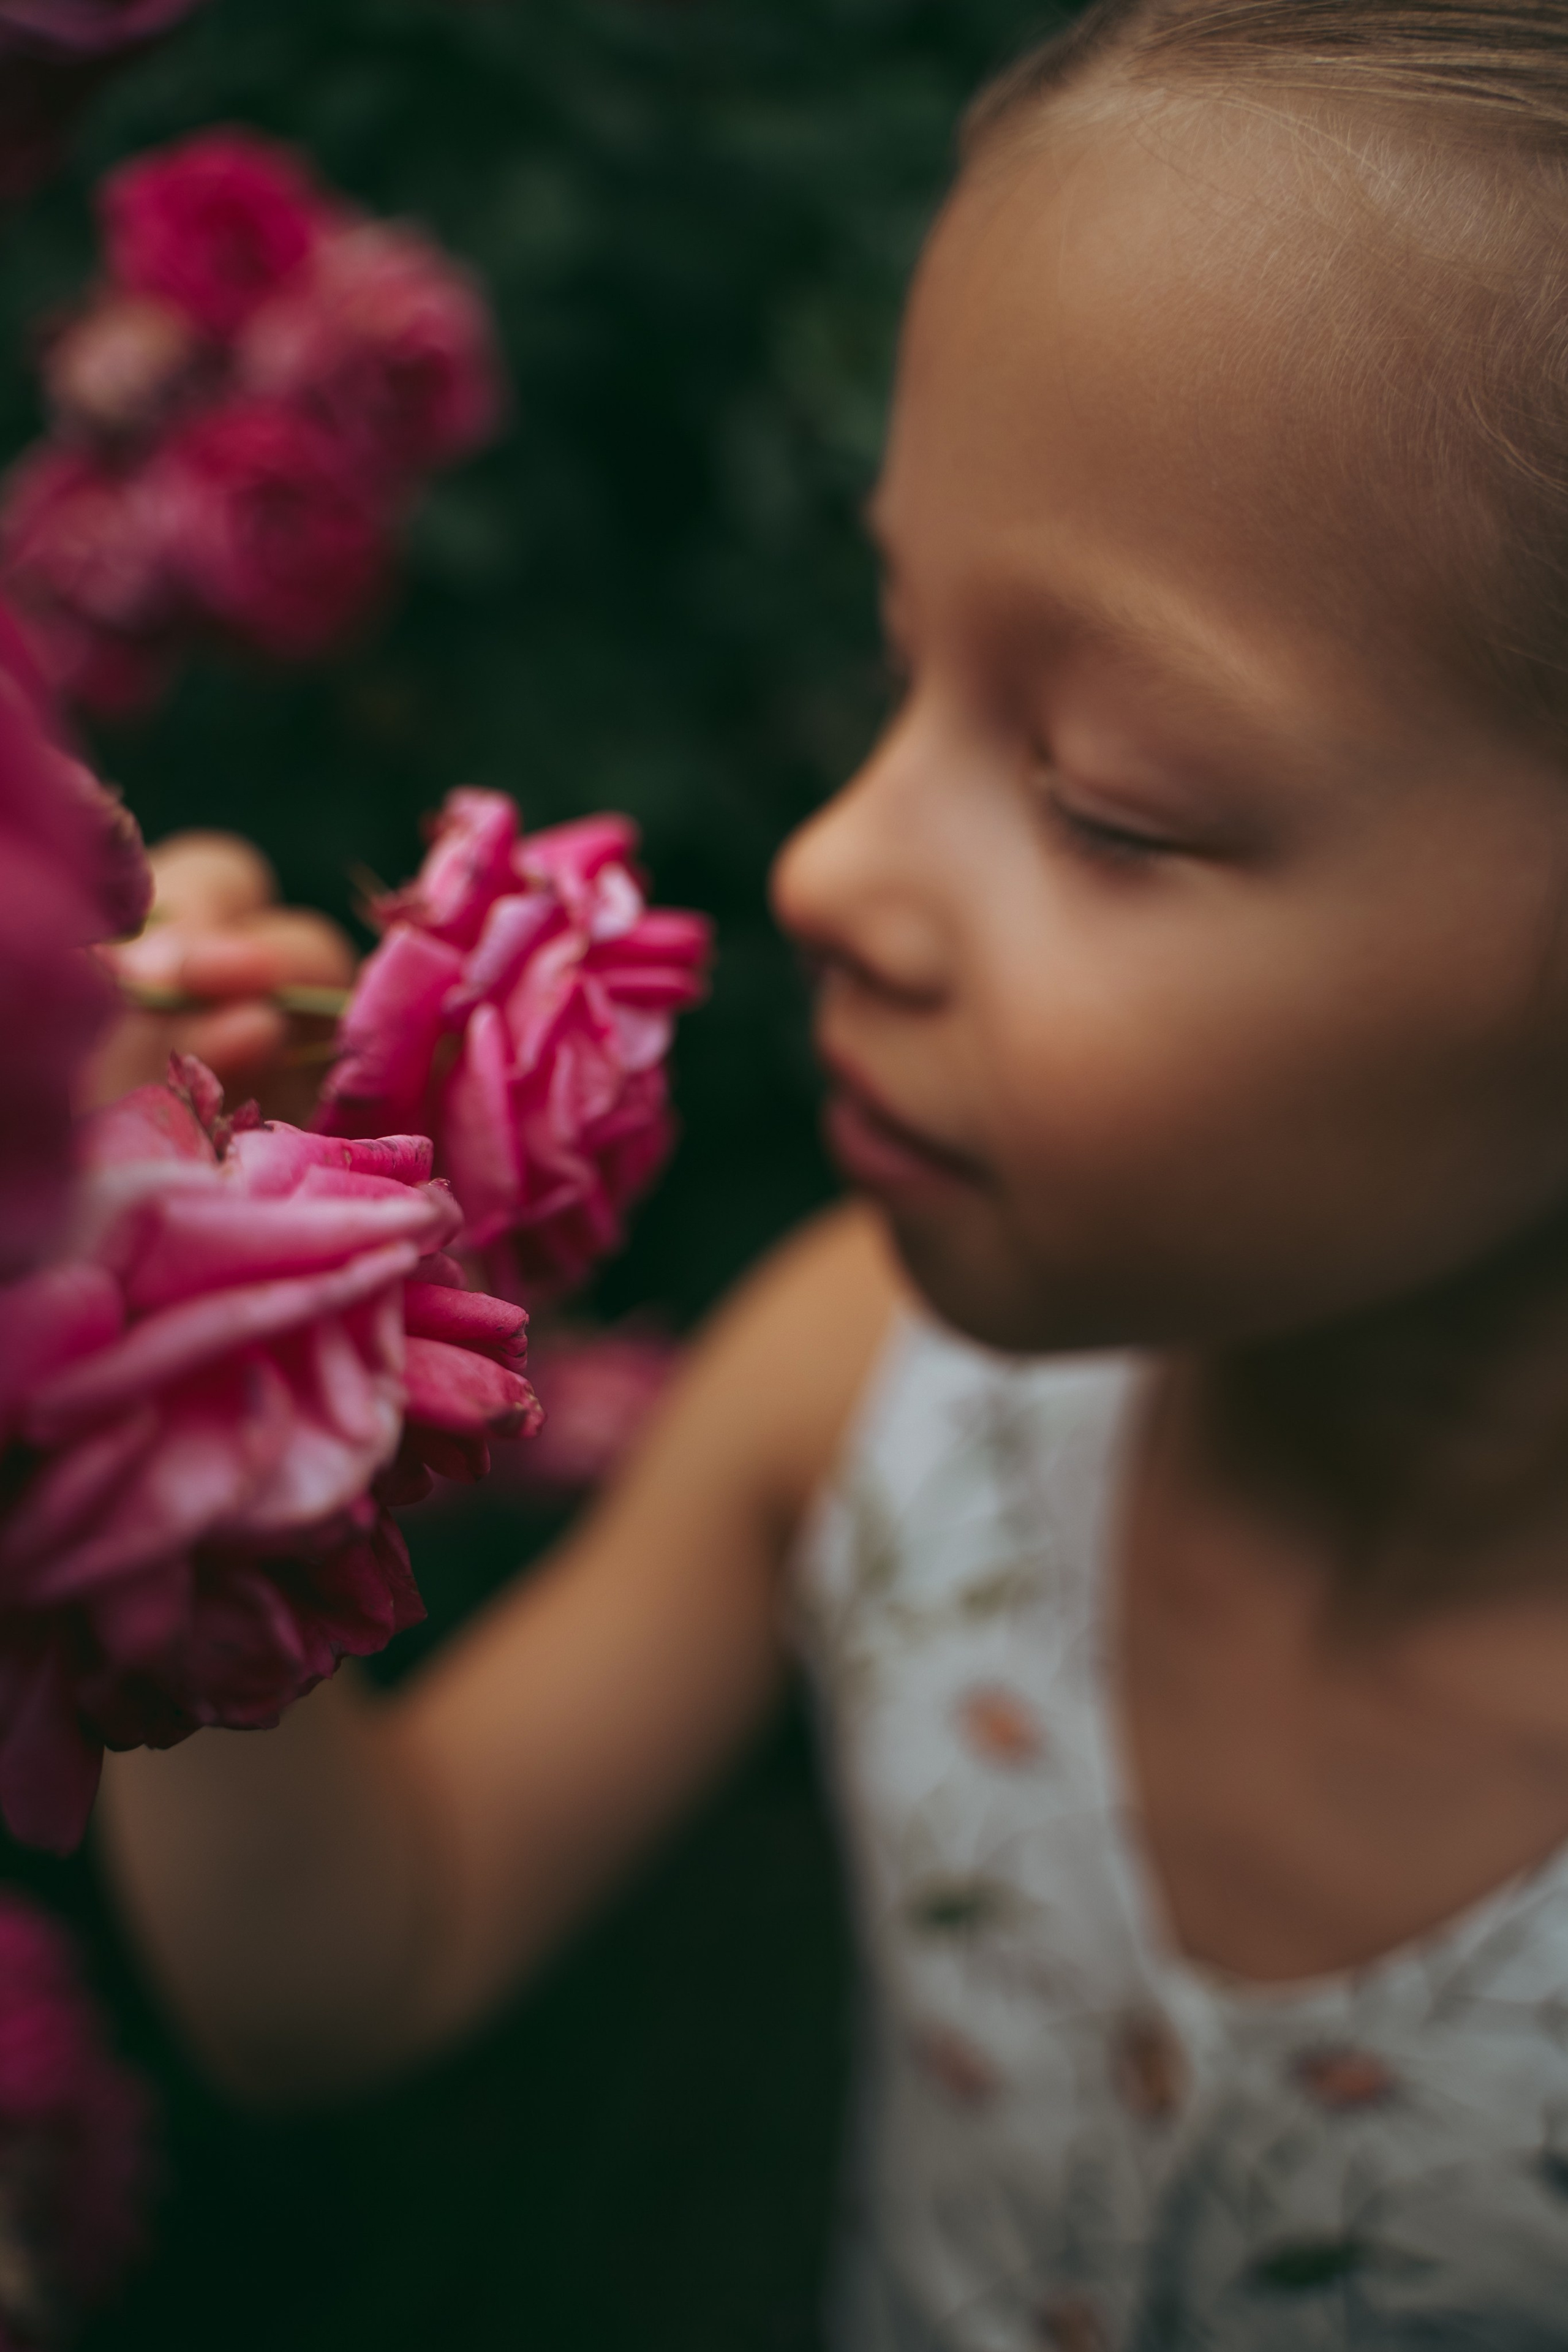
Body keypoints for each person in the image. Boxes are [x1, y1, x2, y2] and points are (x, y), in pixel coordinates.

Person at [92, 2, 1568, 2338]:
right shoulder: (872, 1396)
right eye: (900, 671)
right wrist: (153, 1376)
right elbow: (356, 1962)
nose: (826, 868)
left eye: (1110, 804)